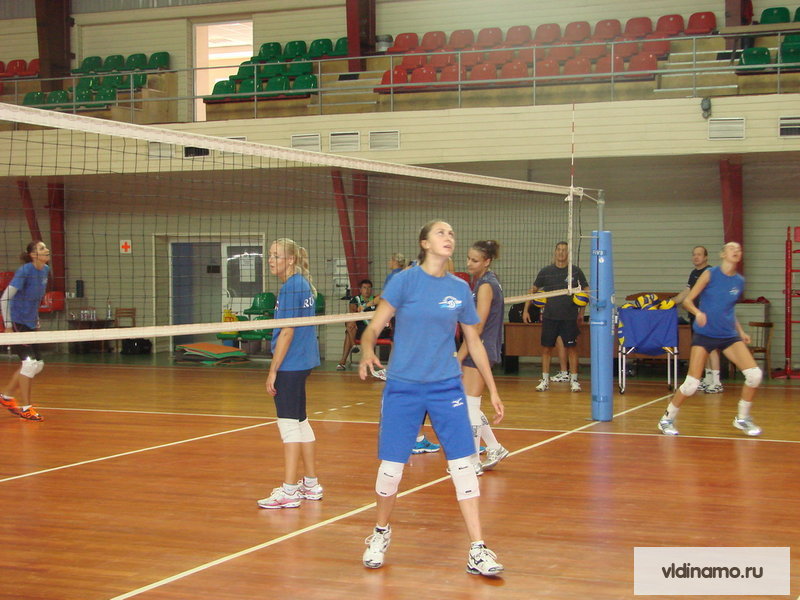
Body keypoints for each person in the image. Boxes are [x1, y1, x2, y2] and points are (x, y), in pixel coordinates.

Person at [358, 220, 505, 577]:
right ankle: (380, 532)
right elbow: (374, 327)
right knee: (391, 470)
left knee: (464, 466)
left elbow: (473, 341)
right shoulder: (403, 281)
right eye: (441, 233)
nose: (449, 237)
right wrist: (366, 349)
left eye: (451, 233)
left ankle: (478, 548)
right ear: (424, 243)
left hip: (446, 386)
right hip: (403, 387)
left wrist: (493, 388)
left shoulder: (460, 288)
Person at [658, 242, 762, 437]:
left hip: (728, 335)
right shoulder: (710, 274)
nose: (736, 251)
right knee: (691, 384)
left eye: (739, 249)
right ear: (723, 254)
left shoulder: (739, 281)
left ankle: (742, 418)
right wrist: (698, 313)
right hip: (705, 335)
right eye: (731, 248)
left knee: (754, 375)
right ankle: (667, 419)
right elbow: (688, 301)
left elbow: (729, 309)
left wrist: (740, 331)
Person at [257, 238, 323, 509]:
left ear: (291, 260)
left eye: (276, 256)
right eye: (270, 255)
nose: (271, 260)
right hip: (302, 362)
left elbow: (287, 331)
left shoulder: (292, 287)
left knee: (288, 424)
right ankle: (311, 484)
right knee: (300, 421)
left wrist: (273, 370)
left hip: (291, 364)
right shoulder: (300, 284)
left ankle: (289, 490)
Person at [457, 240, 509, 472]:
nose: (469, 263)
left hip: (481, 349)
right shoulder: (484, 282)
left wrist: (458, 356)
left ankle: (473, 461)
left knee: (470, 406)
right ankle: (494, 447)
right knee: (470, 406)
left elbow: (477, 327)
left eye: (475, 260)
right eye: (468, 258)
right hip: (481, 347)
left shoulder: (486, 285)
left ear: (487, 261)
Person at [523, 241, 588, 392]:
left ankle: (574, 381)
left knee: (572, 349)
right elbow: (532, 290)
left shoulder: (575, 271)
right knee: (546, 349)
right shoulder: (546, 271)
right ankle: (544, 380)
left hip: (569, 317)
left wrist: (582, 312)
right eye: (559, 249)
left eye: (564, 250)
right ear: (555, 252)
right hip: (550, 317)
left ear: (568, 253)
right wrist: (526, 310)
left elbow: (586, 290)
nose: (561, 252)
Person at [0, 240, 50, 422]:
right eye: (42, 248)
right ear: (33, 255)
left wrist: (35, 318)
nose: (47, 250)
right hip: (17, 322)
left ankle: (6, 397)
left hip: (30, 322)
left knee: (37, 365)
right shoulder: (24, 271)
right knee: (29, 364)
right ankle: (26, 409)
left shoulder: (45, 270)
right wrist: (8, 326)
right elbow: (5, 298)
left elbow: (35, 298)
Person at [673, 245, 723, 394]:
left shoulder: (710, 272)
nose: (696, 257)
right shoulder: (694, 273)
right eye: (694, 254)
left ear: (706, 257)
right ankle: (708, 379)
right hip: (695, 316)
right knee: (703, 348)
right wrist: (670, 302)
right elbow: (686, 293)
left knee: (711, 348)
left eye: (699, 254)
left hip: (707, 316)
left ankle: (717, 382)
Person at [336, 279, 378, 370]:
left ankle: (345, 357)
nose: (367, 290)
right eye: (364, 288)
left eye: (369, 288)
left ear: (371, 289)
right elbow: (352, 312)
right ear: (360, 290)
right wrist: (357, 310)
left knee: (349, 333)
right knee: (350, 323)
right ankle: (351, 349)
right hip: (359, 328)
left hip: (373, 329)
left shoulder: (375, 299)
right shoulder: (356, 300)